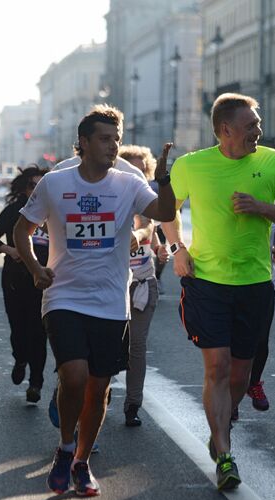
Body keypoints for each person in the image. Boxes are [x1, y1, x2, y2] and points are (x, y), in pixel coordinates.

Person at [14, 104, 175, 497]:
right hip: (64, 294)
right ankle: (65, 446)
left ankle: (82, 461)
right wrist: (37, 270)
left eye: (116, 139)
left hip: (110, 300)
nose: (112, 146)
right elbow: (22, 230)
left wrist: (166, 179)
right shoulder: (56, 182)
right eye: (104, 139)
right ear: (83, 144)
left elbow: (164, 212)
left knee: (98, 386)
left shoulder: (127, 184)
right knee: (74, 376)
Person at [162, 93, 275, 490]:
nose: (259, 130)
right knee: (217, 367)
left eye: (257, 124)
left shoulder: (271, 161)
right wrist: (178, 249)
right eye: (251, 125)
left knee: (240, 373)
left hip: (255, 282)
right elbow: (167, 209)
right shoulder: (192, 165)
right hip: (207, 281)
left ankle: (219, 424)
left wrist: (261, 207)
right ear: (226, 130)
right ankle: (224, 452)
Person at [117, 144, 170, 427]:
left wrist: (160, 251)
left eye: (142, 169)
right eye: (131, 168)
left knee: (136, 348)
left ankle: (132, 405)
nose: (137, 174)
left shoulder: (147, 204)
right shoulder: (112, 196)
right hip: (112, 286)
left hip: (142, 283)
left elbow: (153, 235)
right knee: (105, 349)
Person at [0, 165, 49, 403]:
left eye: (42, 185)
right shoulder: (15, 211)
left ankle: (36, 383)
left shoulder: (55, 212)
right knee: (19, 329)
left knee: (39, 332)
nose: (37, 190)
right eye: (33, 185)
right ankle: (20, 358)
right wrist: (11, 250)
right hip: (15, 279)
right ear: (25, 189)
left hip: (43, 281)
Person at [241, 223, 275, 416]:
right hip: (231, 279)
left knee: (261, 340)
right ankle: (229, 396)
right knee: (233, 342)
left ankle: (254, 383)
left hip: (265, 279)